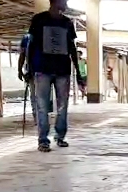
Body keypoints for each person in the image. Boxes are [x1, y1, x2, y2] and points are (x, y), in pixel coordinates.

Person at [27, 0, 82, 152]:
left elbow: (72, 47)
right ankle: (43, 140)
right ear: (54, 1)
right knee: (42, 106)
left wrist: (78, 71)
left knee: (63, 106)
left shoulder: (67, 23)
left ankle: (60, 136)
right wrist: (28, 67)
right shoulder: (39, 20)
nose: (65, 3)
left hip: (62, 70)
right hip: (42, 69)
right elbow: (30, 45)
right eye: (63, 0)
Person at [17, 33, 37, 126]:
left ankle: (38, 118)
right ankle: (37, 118)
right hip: (33, 72)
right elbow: (22, 55)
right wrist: (20, 70)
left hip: (42, 72)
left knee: (36, 96)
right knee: (35, 95)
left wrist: (20, 70)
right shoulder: (26, 38)